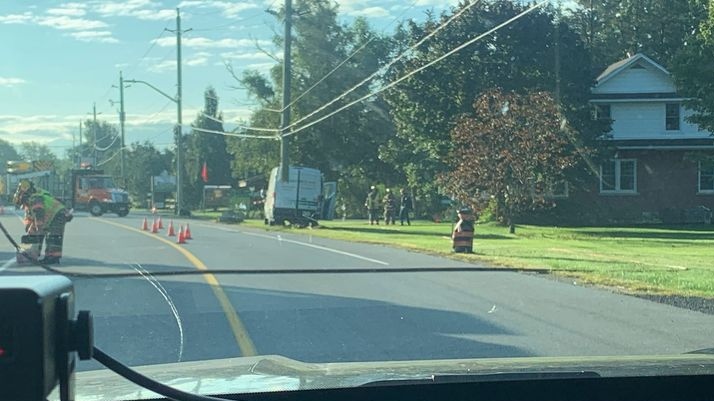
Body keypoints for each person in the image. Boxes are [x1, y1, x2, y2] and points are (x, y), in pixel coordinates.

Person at [13, 179, 69, 264]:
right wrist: (31, 232)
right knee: (46, 234)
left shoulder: (35, 199)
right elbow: (31, 219)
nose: (23, 205)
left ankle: (52, 258)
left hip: (58, 214)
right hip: (56, 214)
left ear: (24, 197)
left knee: (53, 236)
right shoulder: (34, 197)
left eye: (21, 203)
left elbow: (39, 217)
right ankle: (50, 256)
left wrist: (38, 230)